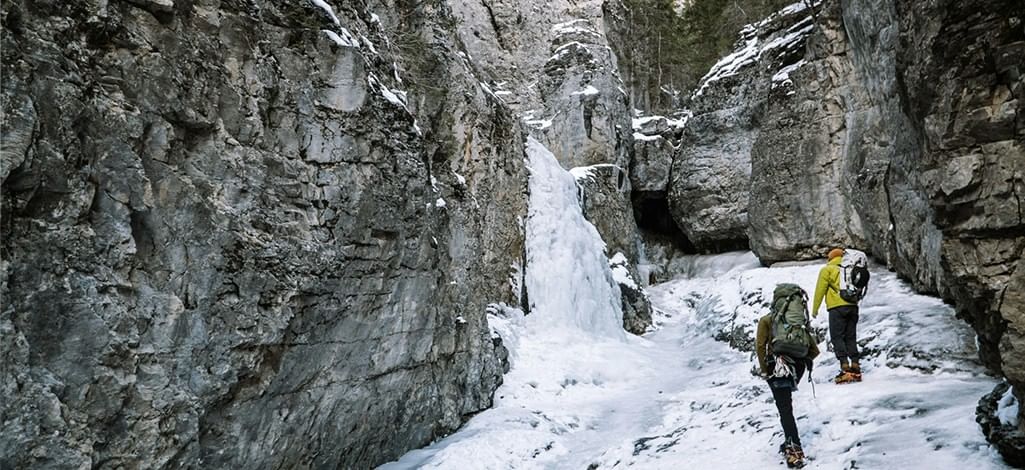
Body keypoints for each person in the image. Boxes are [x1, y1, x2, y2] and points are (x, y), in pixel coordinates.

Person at [756, 295, 820, 468]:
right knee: (786, 404)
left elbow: (760, 347)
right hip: (797, 367)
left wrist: (764, 370)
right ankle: (789, 441)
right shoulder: (797, 323)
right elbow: (814, 350)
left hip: (777, 368)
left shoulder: (766, 321)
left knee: (785, 408)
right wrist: (800, 360)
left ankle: (794, 449)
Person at [812, 248, 861, 384]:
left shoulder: (828, 269)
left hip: (836, 308)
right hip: (853, 307)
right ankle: (855, 364)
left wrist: (815, 309)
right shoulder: (851, 269)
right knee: (851, 336)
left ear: (830, 258)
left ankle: (845, 366)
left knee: (837, 337)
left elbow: (820, 290)